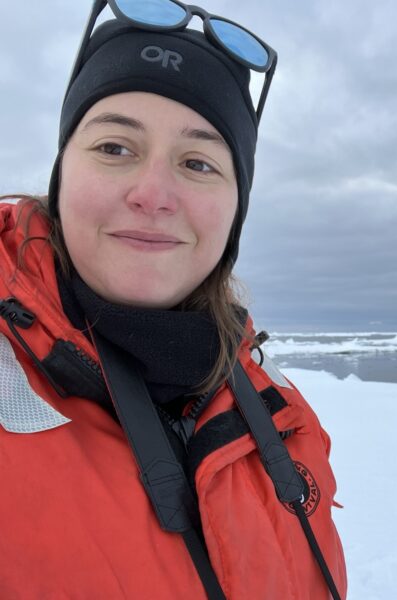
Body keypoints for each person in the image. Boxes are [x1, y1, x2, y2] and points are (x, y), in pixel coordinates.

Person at [0, 1, 346, 598]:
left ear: (236, 210)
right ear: (62, 175)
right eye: (115, 148)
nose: (154, 194)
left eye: (197, 162)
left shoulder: (275, 406)